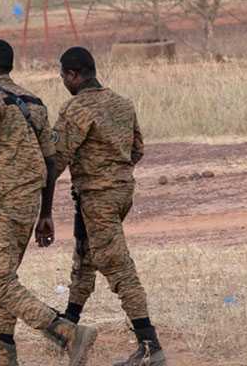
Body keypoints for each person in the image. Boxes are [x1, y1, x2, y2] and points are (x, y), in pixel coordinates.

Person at [0, 39, 97, 366]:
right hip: (29, 204)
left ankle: (65, 332)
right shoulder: (33, 102)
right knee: (3, 276)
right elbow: (51, 163)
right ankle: (5, 351)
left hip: (4, 202)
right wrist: (46, 213)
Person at [39, 46, 166, 366]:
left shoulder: (76, 109)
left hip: (98, 198)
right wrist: (115, 173)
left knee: (118, 268)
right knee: (84, 256)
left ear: (73, 74)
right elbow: (137, 150)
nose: (63, 81)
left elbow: (56, 163)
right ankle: (67, 326)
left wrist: (46, 211)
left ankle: (150, 346)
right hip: (121, 192)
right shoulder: (122, 103)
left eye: (63, 75)